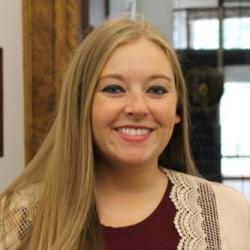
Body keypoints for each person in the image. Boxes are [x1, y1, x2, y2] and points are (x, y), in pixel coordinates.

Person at [0, 15, 249, 250]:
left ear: (177, 110)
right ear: (81, 105)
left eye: (157, 90)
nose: (138, 108)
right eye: (114, 88)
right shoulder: (15, 218)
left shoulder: (227, 212)